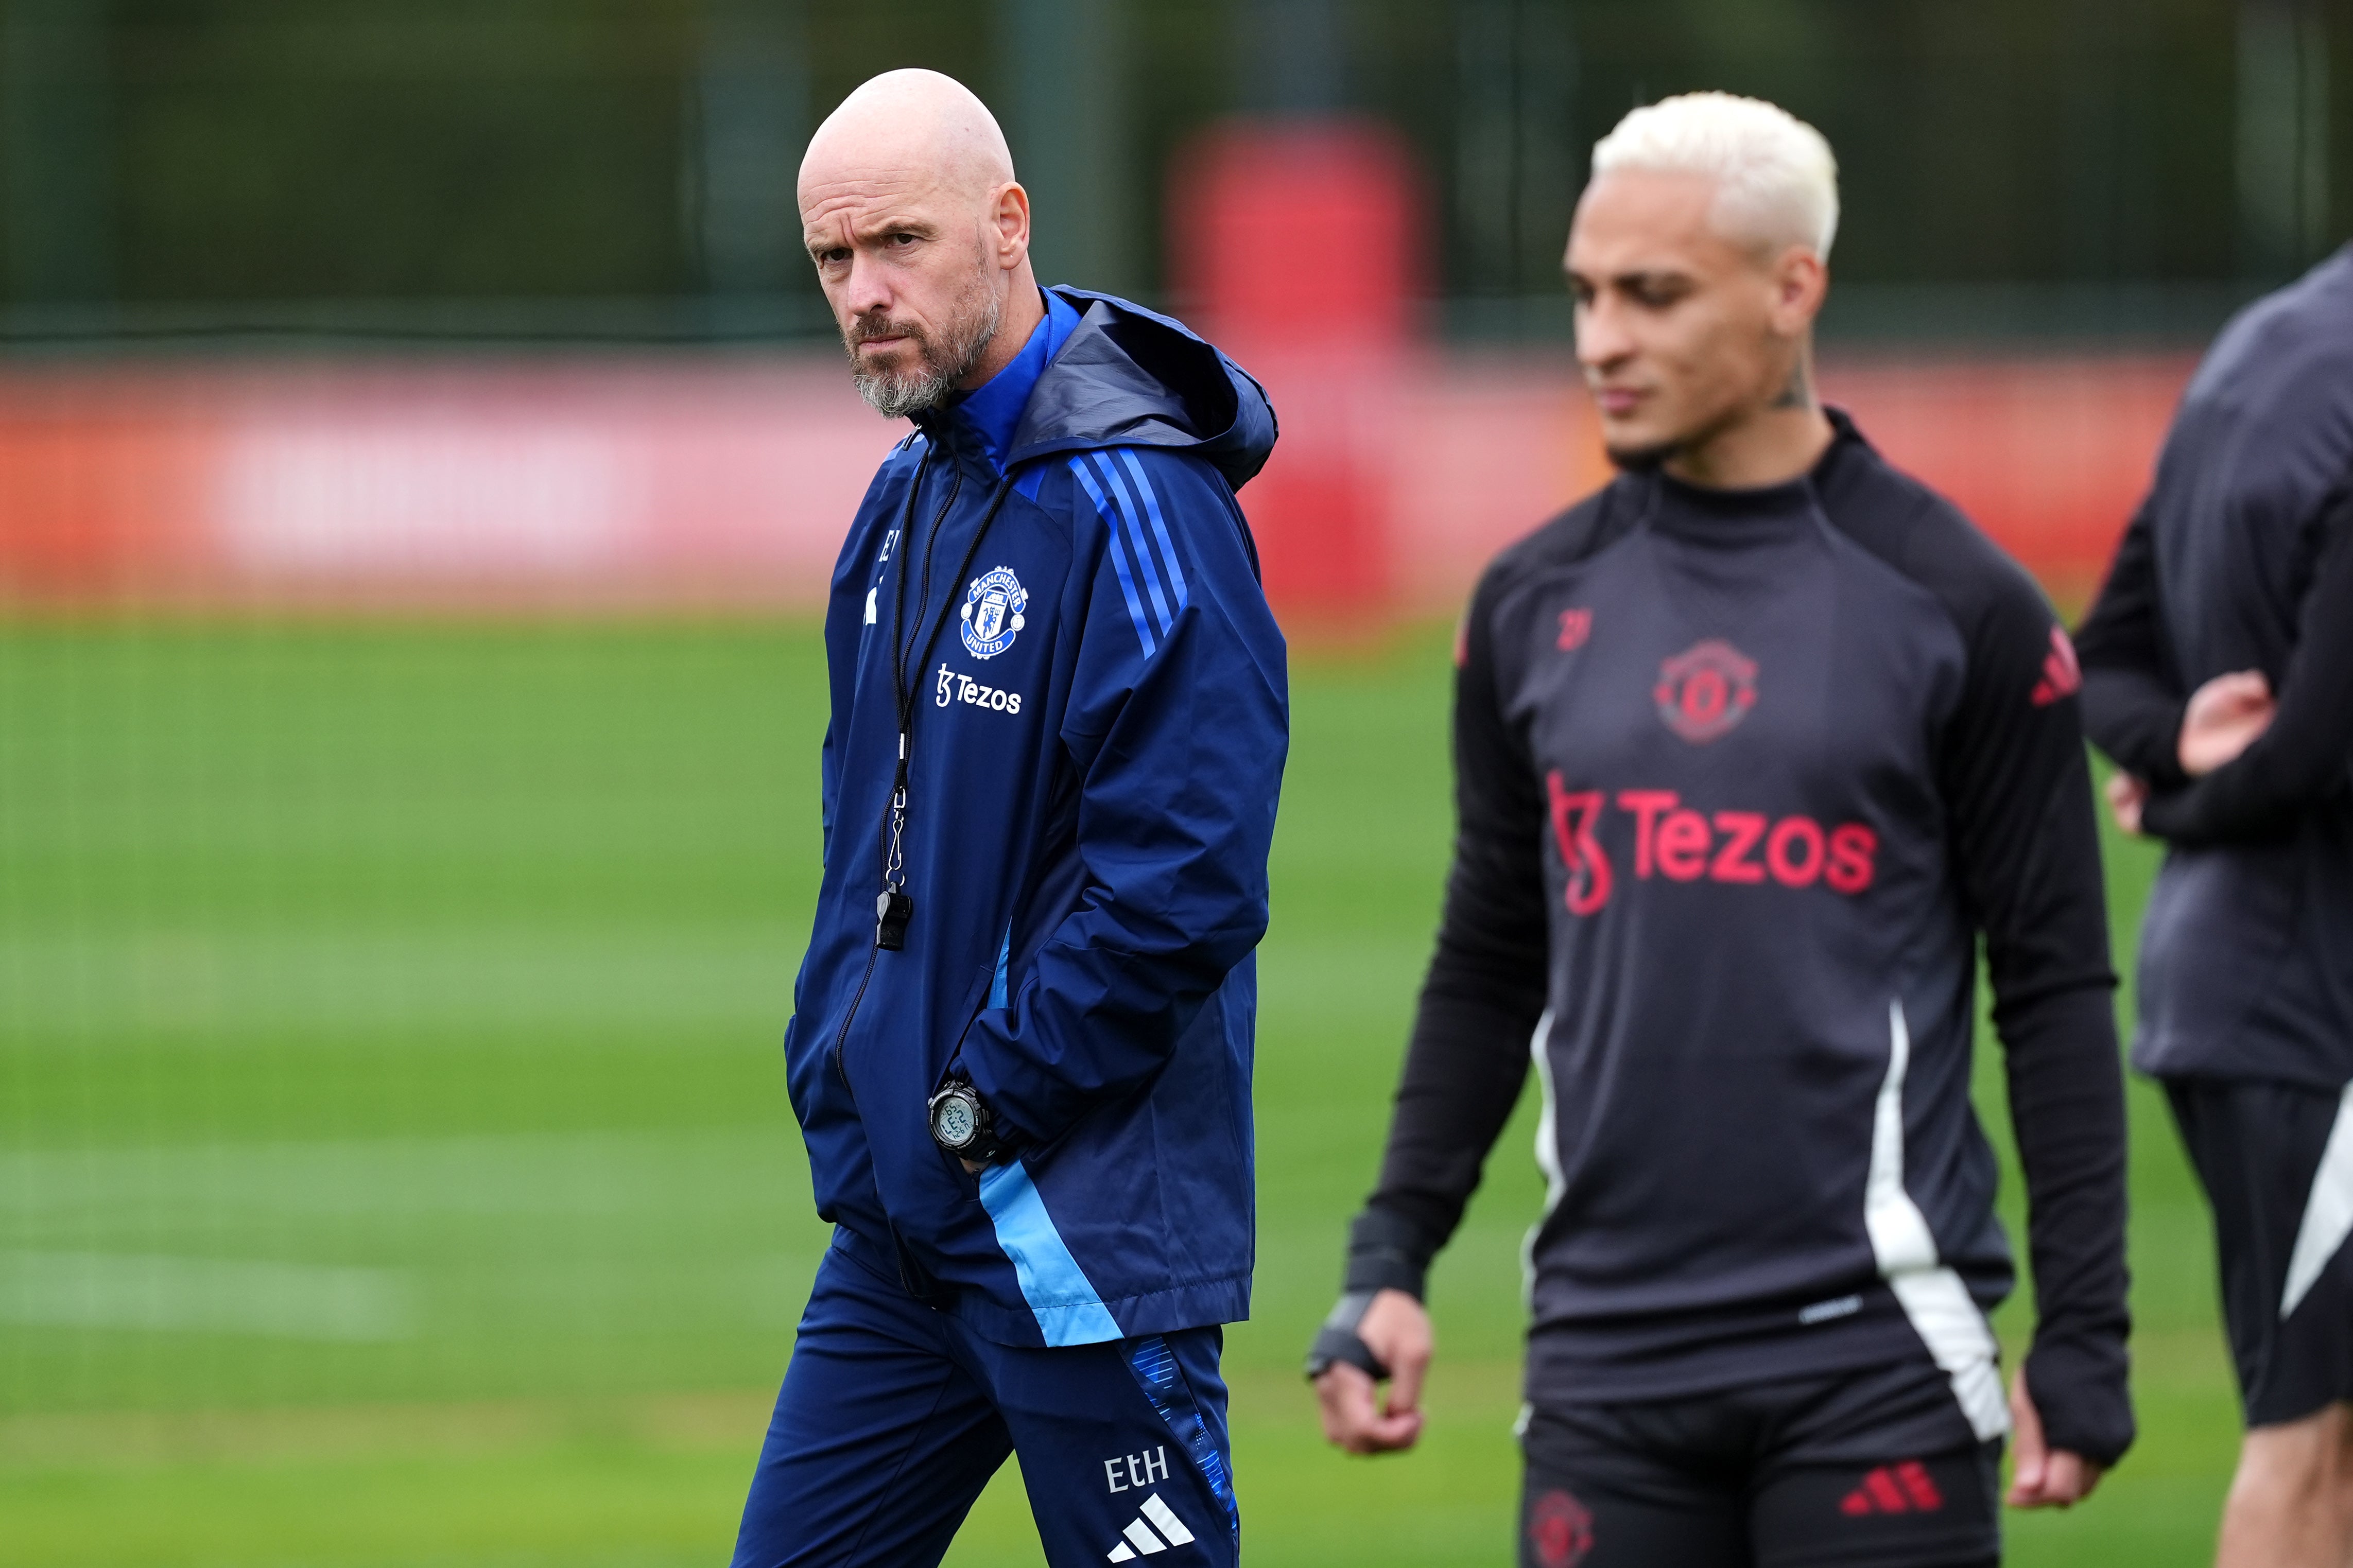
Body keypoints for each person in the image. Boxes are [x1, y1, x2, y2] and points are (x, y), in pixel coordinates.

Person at [1306, 93, 2134, 1567]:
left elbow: (2056, 987)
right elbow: (1494, 960)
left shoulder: (1964, 606)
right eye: (1582, 293)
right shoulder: (1524, 604)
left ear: (1791, 288)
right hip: (1601, 1361)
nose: (1600, 338)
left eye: (1653, 294)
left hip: (1875, 1351)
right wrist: (1391, 1257)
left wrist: (2088, 1323)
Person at [731, 69, 1286, 1568]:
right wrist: (850, 1083)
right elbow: (874, 850)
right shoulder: (906, 497)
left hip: (1076, 1234)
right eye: (834, 260)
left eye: (899, 243)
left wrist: (989, 1097)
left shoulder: (1140, 504)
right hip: (902, 1237)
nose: (865, 293)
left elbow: (1185, 879)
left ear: (1007, 222)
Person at [2076, 248, 2353, 1568]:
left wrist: (2168, 762)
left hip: (2235, 986)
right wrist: (2189, 789)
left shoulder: (2257, 349)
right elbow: (2313, 750)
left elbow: (2101, 656)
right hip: (2313, 1007)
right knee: (2312, 1445)